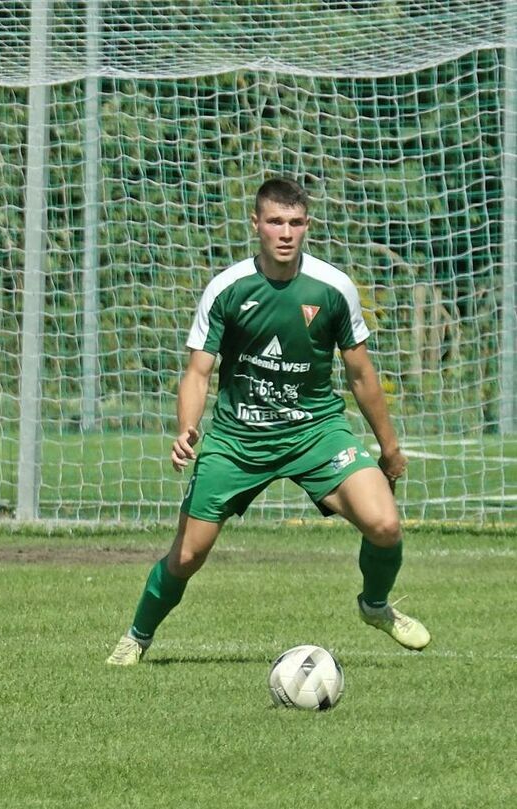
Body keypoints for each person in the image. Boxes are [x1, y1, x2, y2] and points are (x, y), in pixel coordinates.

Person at [105, 176, 431, 666]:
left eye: (296, 223)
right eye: (275, 221)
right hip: (239, 439)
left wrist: (389, 447)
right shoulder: (228, 289)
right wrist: (185, 428)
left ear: (307, 227)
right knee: (189, 555)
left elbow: (360, 372)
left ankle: (375, 605)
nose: (286, 232)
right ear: (255, 223)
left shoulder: (333, 288)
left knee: (384, 524)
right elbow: (198, 371)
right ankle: (137, 636)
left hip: (315, 431)